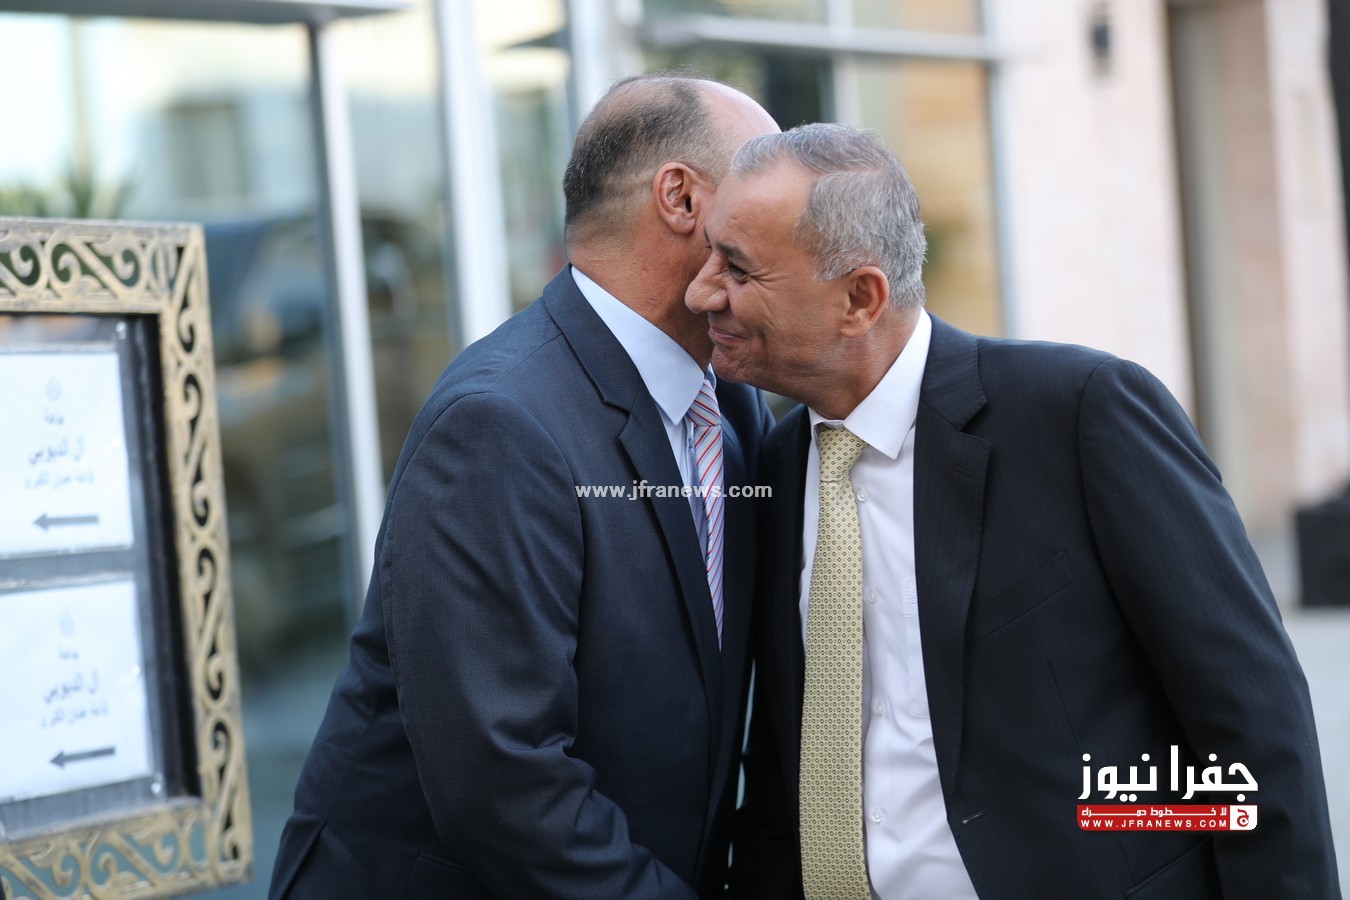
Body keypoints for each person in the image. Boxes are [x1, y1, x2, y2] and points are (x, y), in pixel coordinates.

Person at [686, 123, 1341, 899]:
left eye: (738, 268)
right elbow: (782, 764)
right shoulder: (773, 464)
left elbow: (1250, 713)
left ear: (860, 298)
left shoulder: (1081, 413)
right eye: (709, 256)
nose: (702, 292)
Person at [269, 73, 779, 899]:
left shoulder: (732, 406)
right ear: (681, 199)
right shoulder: (498, 424)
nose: (792, 220)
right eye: (764, 189)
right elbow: (503, 784)